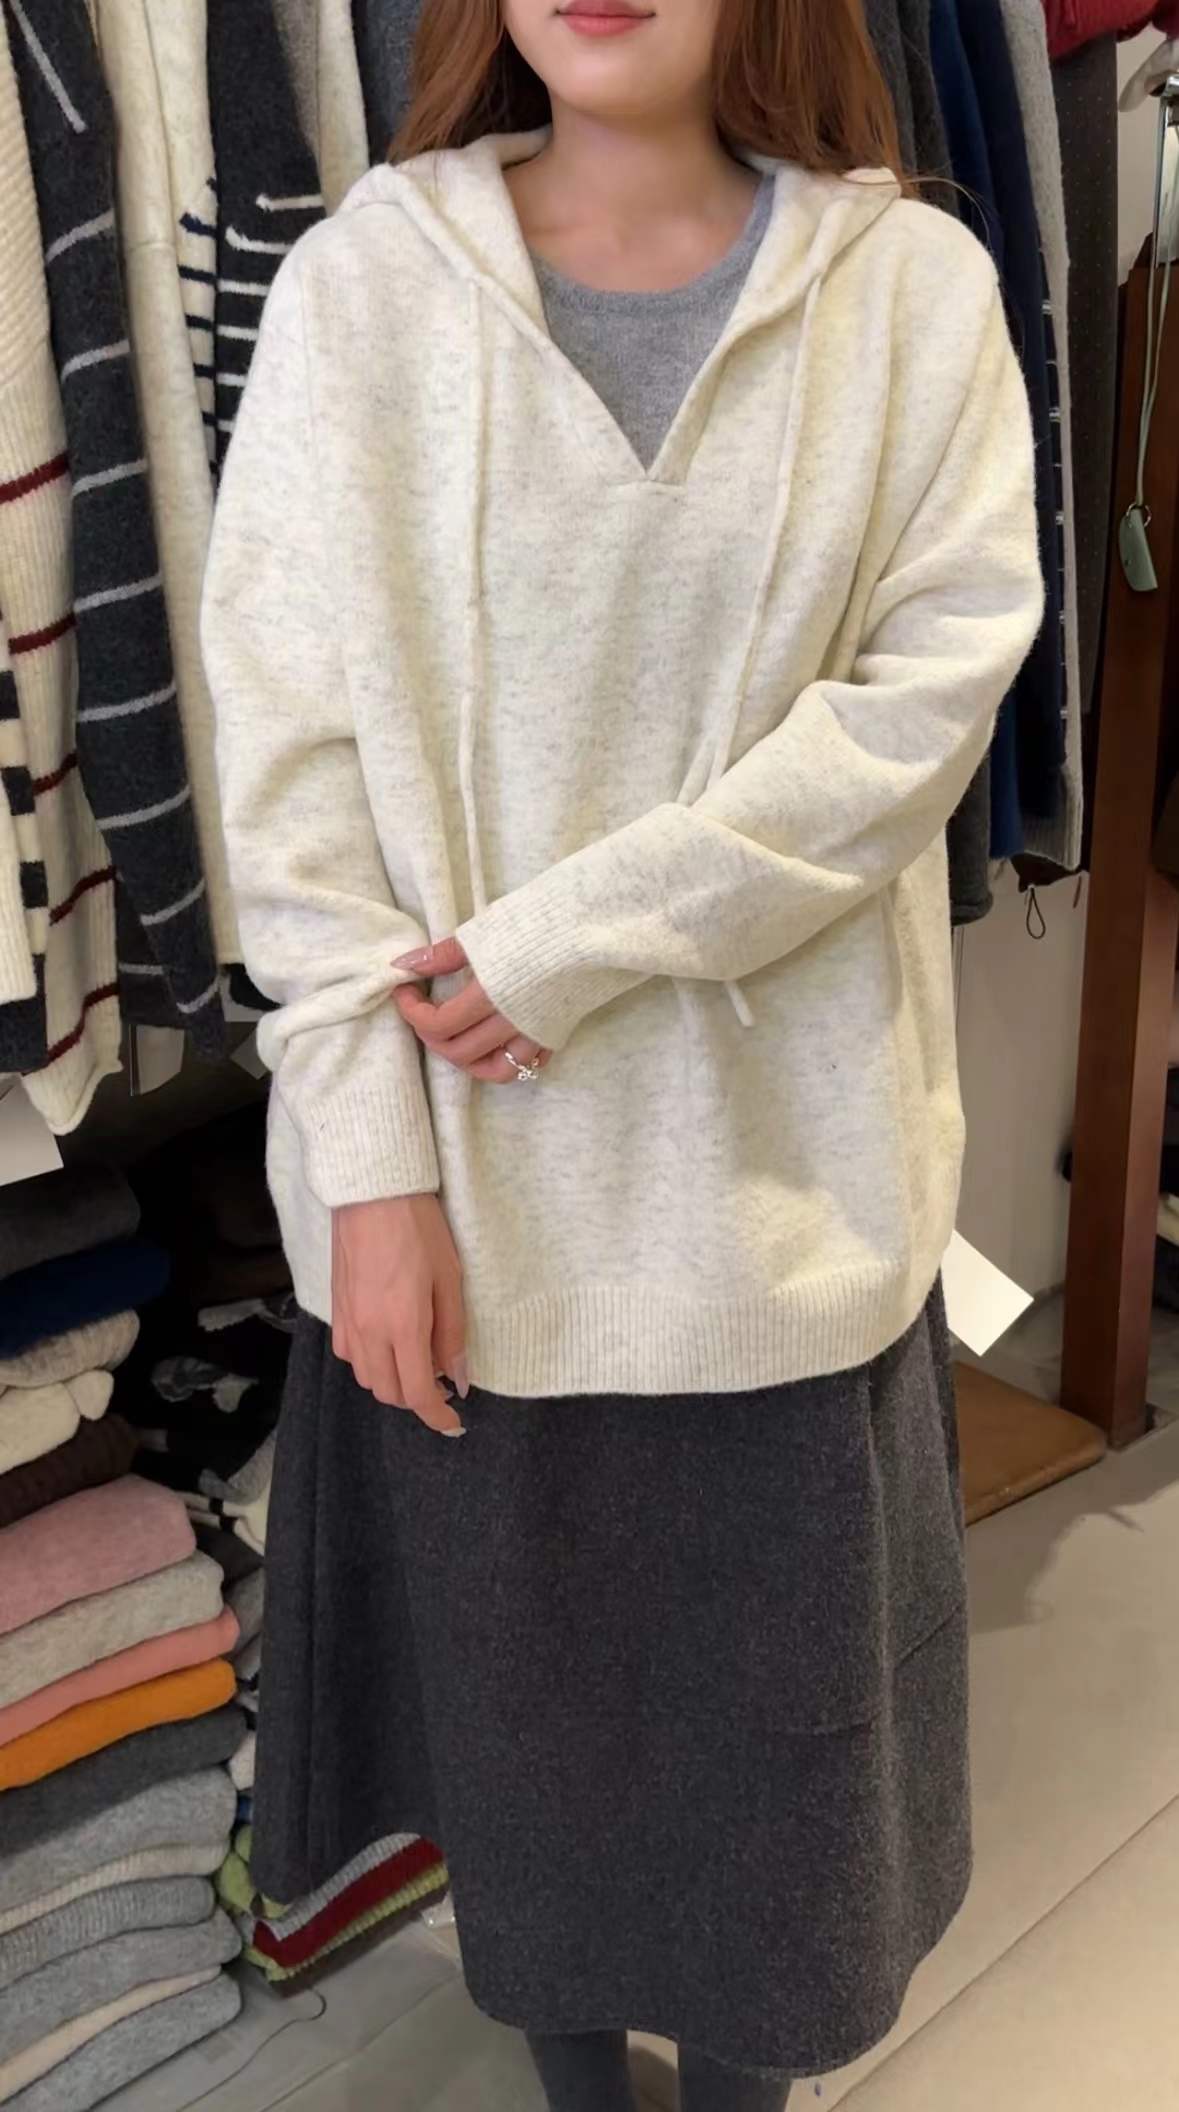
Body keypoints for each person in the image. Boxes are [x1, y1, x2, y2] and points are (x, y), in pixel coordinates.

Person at [201, 0, 1042, 2104]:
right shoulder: (363, 290)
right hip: (466, 1212)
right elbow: (288, 779)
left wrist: (566, 942)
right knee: (532, 1772)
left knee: (785, 1816)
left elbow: (925, 705)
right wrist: (369, 1173)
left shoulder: (909, 290)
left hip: (784, 1209)